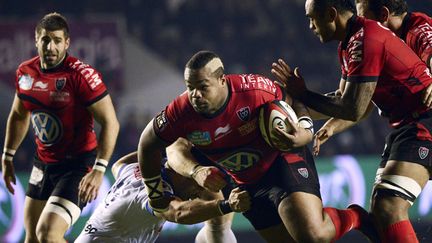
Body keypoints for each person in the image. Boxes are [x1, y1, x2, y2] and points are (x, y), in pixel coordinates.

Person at [137, 50, 374, 243]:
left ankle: (356, 217)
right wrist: (159, 188)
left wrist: (304, 132)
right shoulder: (180, 112)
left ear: (222, 80)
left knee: (312, 236)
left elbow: (294, 101)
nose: (195, 95)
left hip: (280, 161)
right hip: (244, 182)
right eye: (190, 87)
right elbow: (149, 144)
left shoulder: (253, 91)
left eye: (202, 86)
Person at [271, 0, 432, 242]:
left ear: (331, 14)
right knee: (382, 211)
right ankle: (358, 217)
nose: (310, 26)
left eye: (312, 18)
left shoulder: (369, 37)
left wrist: (303, 95)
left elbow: (353, 108)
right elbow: (349, 99)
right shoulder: (351, 43)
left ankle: (355, 217)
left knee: (389, 207)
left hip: (425, 121)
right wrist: (292, 109)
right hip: (409, 125)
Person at [1, 12, 120, 243]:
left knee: (48, 234)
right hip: (43, 164)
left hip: (78, 166)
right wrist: (7, 155)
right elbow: (18, 114)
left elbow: (110, 122)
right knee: (32, 239)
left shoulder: (81, 75)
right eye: (45, 39)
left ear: (67, 43)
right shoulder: (25, 73)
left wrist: (98, 169)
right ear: (36, 41)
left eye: (57, 40)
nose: (51, 46)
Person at [314, 0, 432, 153]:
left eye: (363, 16)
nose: (359, 22)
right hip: (407, 126)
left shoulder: (418, 29)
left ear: (383, 15)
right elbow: (362, 101)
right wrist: (331, 126)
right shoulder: (368, 47)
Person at [75, 146, 250, 243]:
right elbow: (179, 213)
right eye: (199, 187)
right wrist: (228, 205)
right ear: (185, 175)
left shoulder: (137, 170)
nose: (197, 194)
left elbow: (119, 164)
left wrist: (173, 155)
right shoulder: (151, 193)